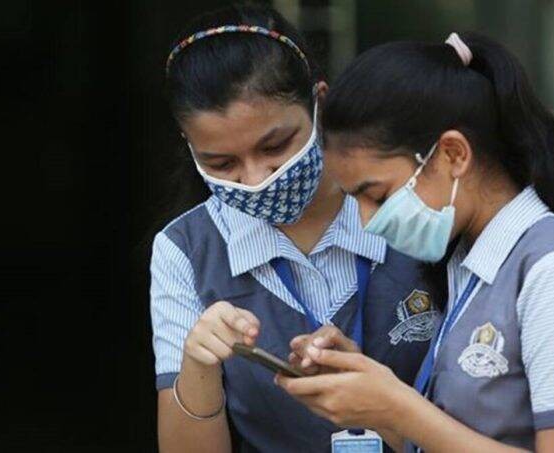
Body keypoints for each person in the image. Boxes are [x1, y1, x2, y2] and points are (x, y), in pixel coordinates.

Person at [278, 33, 554, 452]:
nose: (367, 221)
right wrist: (366, 392)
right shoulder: (467, 260)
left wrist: (398, 407)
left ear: (453, 154)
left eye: (377, 196)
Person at [150, 4, 446, 452]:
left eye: (275, 146)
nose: (256, 179)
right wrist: (198, 365)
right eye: (222, 163)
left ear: (320, 103)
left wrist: (385, 407)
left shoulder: (415, 210)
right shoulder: (186, 250)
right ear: (191, 148)